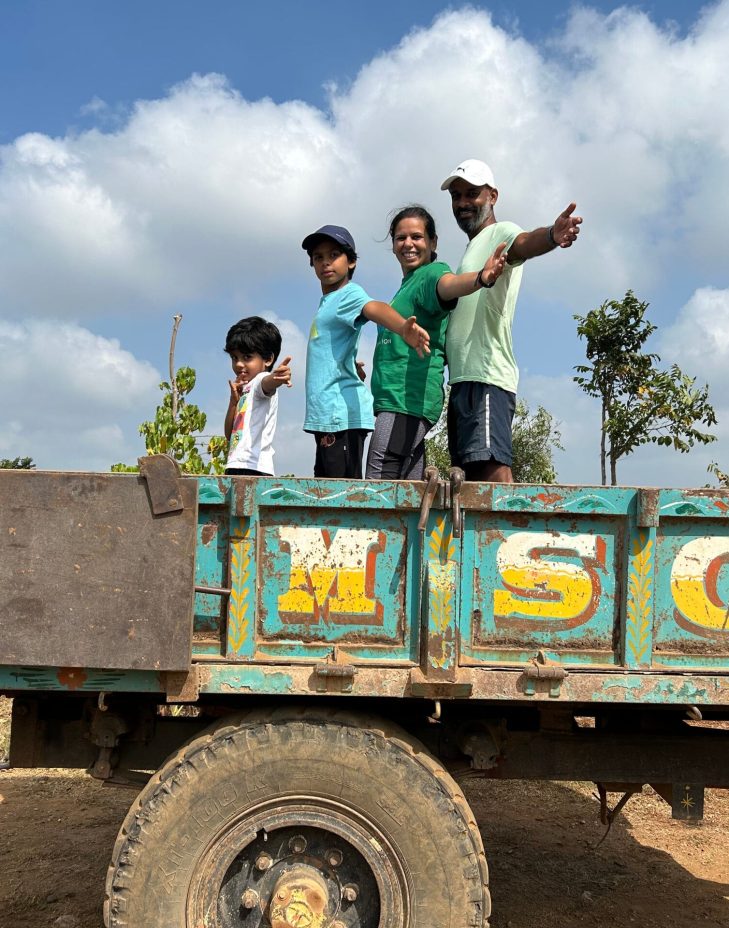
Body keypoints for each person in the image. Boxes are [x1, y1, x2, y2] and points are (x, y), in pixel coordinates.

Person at [441, 159, 582, 483]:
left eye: (471, 194)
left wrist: (550, 235)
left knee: (492, 470)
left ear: (493, 196)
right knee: (470, 478)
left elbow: (523, 244)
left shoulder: (500, 233)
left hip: (487, 377)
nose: (462, 203)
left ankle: (513, 533)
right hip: (463, 382)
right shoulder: (471, 249)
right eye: (456, 196)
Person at [366, 205, 506, 480]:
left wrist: (480, 278)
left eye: (417, 237)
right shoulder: (408, 284)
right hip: (402, 403)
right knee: (410, 490)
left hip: (406, 401)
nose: (408, 244)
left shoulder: (431, 274)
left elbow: (448, 285)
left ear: (433, 242)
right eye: (400, 237)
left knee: (378, 483)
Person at [301, 224, 430, 479]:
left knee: (340, 498)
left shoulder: (349, 294)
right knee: (326, 495)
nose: (326, 263)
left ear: (351, 262)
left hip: (340, 415)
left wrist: (402, 328)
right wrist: (349, 364)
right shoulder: (328, 302)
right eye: (319, 257)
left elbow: (373, 308)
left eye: (334, 255)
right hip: (327, 414)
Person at [223, 316, 292, 477]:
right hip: (235, 464)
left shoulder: (259, 381)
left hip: (253, 467)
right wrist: (233, 402)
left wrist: (277, 377)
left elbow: (268, 382)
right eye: (235, 358)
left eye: (247, 357)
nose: (239, 364)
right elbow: (229, 435)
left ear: (268, 359)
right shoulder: (243, 389)